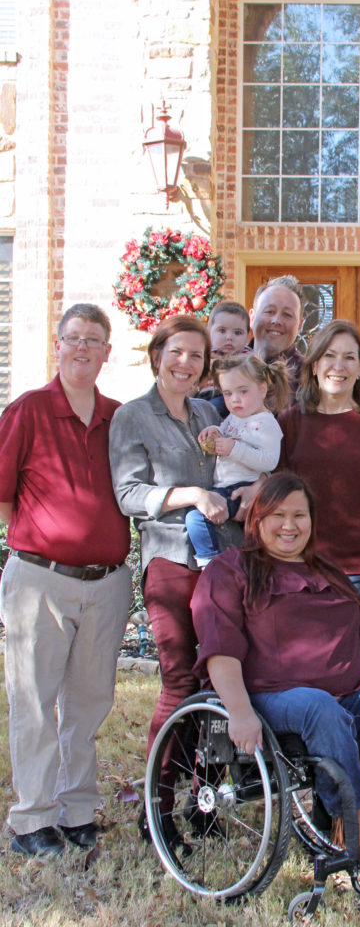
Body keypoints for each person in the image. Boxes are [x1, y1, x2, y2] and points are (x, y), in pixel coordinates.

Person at [190, 472, 360, 861]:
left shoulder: (327, 570)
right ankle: (353, 825)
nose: (290, 526)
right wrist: (238, 712)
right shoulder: (231, 570)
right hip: (275, 698)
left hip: (347, 694)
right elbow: (221, 649)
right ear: (257, 519)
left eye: (300, 516)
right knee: (320, 706)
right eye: (278, 515)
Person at [0, 303, 132, 857]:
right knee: (34, 699)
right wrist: (40, 544)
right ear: (58, 346)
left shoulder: (119, 417)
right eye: (73, 337)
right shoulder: (28, 410)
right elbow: (3, 496)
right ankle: (32, 820)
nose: (83, 347)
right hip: (41, 580)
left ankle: (76, 809)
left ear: (108, 351)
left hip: (106, 584)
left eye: (93, 339)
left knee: (89, 699)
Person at [109, 314, 242, 832]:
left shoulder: (208, 412)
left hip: (220, 566)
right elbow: (128, 493)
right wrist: (190, 494)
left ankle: (203, 803)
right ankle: (156, 808)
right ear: (157, 355)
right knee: (180, 681)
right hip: (170, 561)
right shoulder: (132, 416)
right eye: (177, 352)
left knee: (218, 681)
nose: (186, 363)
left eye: (196, 356)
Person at [277, 320, 360, 664]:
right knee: (312, 679)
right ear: (315, 363)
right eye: (330, 356)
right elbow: (278, 503)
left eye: (350, 357)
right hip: (307, 573)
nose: (339, 366)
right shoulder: (290, 422)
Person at [186, 353, 288, 566]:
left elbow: (270, 461)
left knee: (196, 517)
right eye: (228, 393)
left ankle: (208, 561)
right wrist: (215, 430)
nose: (235, 399)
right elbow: (226, 433)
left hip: (242, 487)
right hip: (225, 486)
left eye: (243, 391)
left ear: (262, 389)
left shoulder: (265, 422)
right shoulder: (235, 417)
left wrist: (234, 449)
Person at [250, 275, 306, 401]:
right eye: (269, 311)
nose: (277, 321)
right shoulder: (229, 365)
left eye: (287, 315)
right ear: (252, 318)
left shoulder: (309, 378)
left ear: (299, 326)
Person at [198, 301, 251, 416]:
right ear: (209, 332)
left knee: (212, 411)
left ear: (247, 337)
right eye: (222, 331)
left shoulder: (247, 356)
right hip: (202, 395)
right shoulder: (204, 352)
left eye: (237, 332)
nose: (229, 337)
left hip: (226, 396)